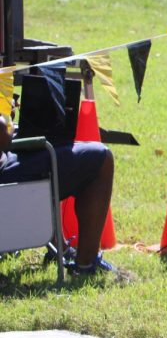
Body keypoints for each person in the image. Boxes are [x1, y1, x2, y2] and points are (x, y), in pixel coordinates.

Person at [0, 114, 116, 275]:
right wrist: (8, 117)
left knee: (47, 143)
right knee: (100, 158)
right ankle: (86, 263)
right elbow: (3, 132)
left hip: (7, 162)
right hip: (5, 175)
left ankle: (59, 246)